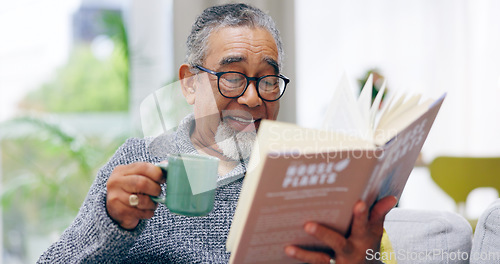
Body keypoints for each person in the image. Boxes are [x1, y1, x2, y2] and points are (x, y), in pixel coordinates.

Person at [38, 3, 396, 263]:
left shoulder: (310, 171)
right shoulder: (138, 161)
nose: (253, 97)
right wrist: (111, 220)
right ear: (190, 84)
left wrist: (364, 260)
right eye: (232, 77)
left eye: (268, 80)